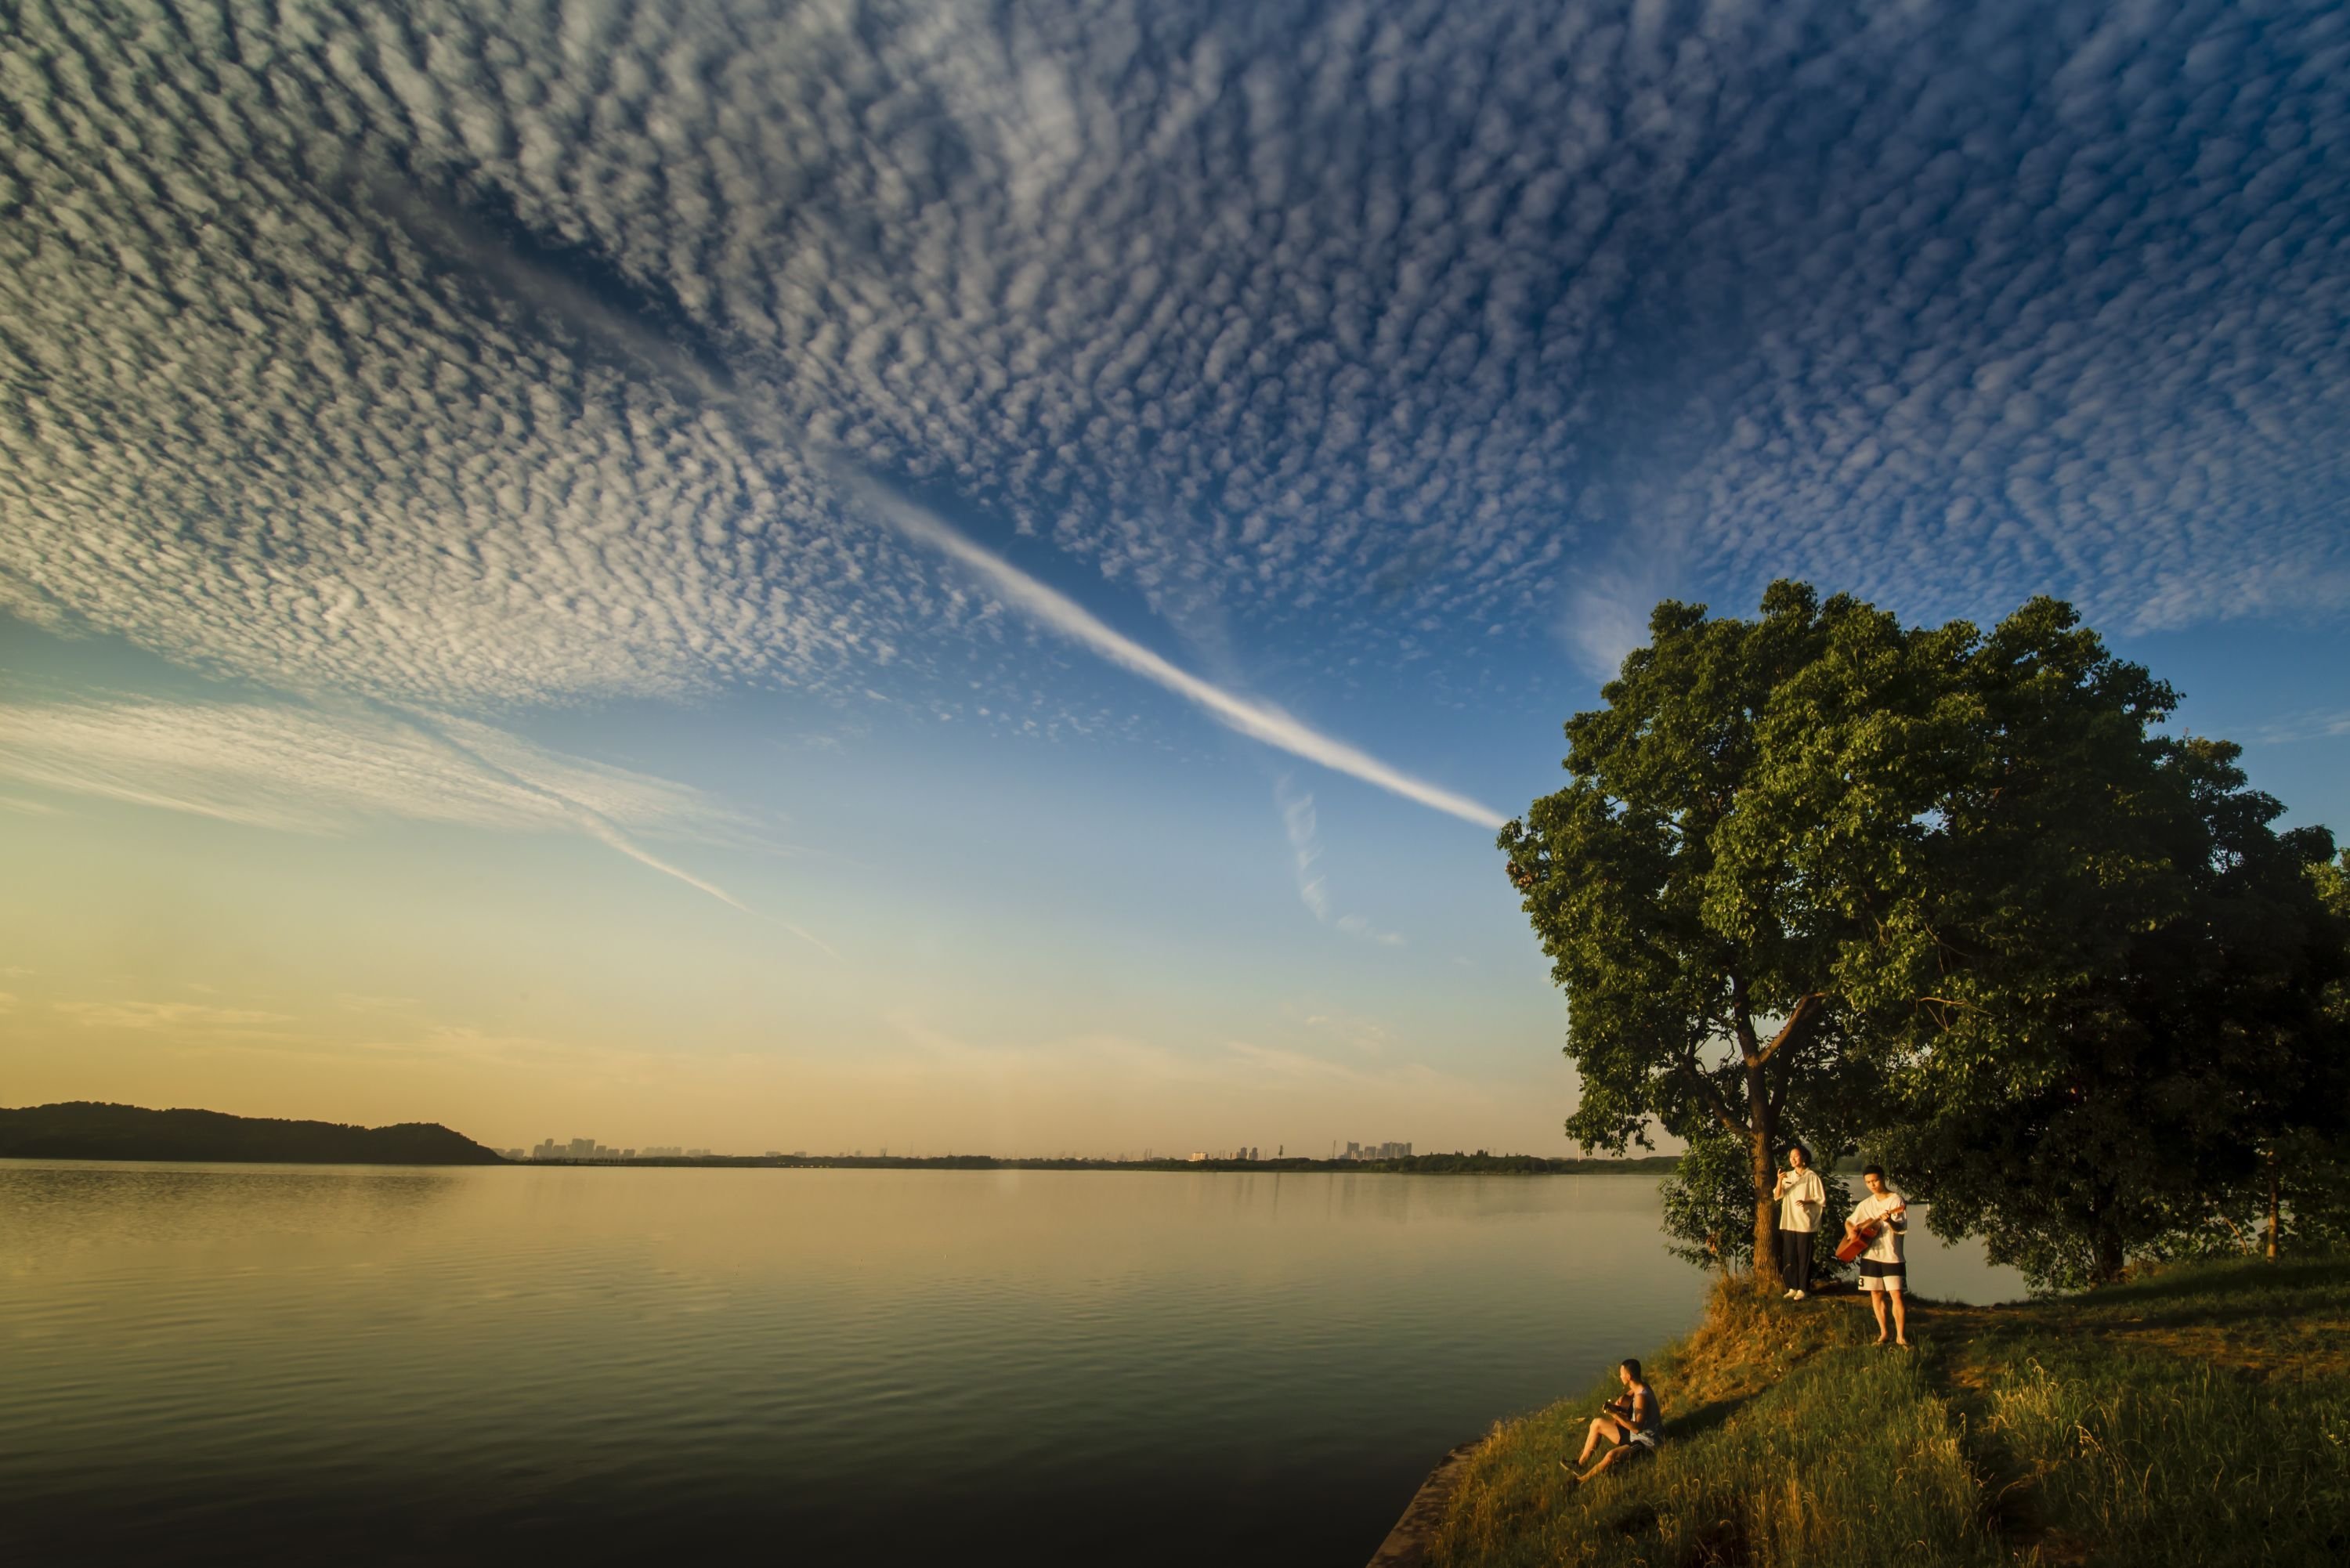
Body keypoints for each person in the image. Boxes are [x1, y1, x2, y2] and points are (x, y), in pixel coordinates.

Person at [1560, 1359, 1663, 1484]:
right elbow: (1630, 1399)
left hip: (1645, 1443)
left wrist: (1614, 1414)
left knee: (1611, 1456)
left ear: (1628, 1376)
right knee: (1597, 1423)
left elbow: (1637, 1428)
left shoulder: (1641, 1397)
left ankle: (1580, 1482)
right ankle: (1580, 1465)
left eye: (1621, 1373)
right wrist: (1619, 1406)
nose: (1619, 1376)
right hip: (1633, 1435)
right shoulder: (1641, 1387)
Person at [1846, 1165, 1910, 1347]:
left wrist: (1889, 1220)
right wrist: (1851, 1231)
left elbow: (1900, 1228)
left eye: (1875, 1180)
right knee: (1876, 1294)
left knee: (1896, 1294)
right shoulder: (1866, 1204)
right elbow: (1850, 1221)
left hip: (1892, 1255)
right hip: (1870, 1255)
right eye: (1868, 1182)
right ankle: (1884, 1333)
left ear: (1883, 1178)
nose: (1872, 1185)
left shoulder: (1896, 1201)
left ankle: (1901, 1337)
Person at [1774, 1143, 1825, 1299]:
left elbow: (1821, 1199)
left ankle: (1804, 1288)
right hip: (1789, 1221)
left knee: (1804, 1256)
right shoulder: (1788, 1176)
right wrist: (1779, 1180)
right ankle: (1792, 1287)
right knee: (1790, 1254)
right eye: (1791, 1157)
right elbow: (1777, 1196)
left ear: (1804, 1158)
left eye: (1796, 1156)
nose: (1793, 1159)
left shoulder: (1812, 1177)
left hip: (1805, 1222)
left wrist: (1807, 1202)